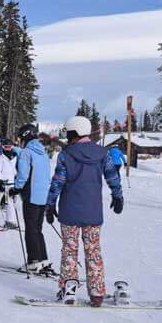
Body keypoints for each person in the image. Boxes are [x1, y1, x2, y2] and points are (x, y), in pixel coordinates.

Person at [46, 116, 123, 307]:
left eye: (68, 132)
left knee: (70, 251)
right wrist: (118, 195)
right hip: (93, 212)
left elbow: (58, 182)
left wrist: (50, 204)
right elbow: (112, 176)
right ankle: (97, 293)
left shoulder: (65, 155)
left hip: (69, 212)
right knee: (93, 250)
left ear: (74, 132)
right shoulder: (102, 153)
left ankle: (69, 290)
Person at [8, 125, 53, 275]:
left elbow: (23, 175)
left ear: (25, 136)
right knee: (37, 229)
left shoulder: (27, 153)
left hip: (31, 195)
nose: (19, 141)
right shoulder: (43, 152)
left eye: (20, 138)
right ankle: (43, 259)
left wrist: (16, 188)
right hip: (43, 196)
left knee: (31, 229)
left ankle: (34, 261)